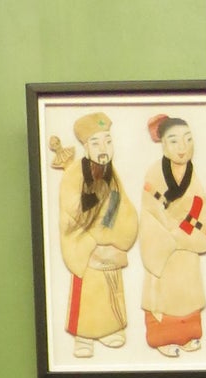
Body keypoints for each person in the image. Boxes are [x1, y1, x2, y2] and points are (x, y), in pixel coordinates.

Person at [57, 111, 139, 358]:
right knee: (89, 289)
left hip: (109, 245)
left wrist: (116, 235)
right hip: (88, 245)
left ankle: (109, 329)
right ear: (86, 146)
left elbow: (123, 209)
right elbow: (71, 211)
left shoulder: (112, 173)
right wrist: (95, 200)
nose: (103, 147)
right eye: (96, 142)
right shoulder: (75, 173)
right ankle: (83, 336)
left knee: (109, 287)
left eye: (108, 140)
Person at [139, 113, 206, 357]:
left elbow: (202, 211)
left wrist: (192, 233)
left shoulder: (193, 175)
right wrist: (171, 234)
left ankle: (188, 335)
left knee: (188, 293)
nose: (183, 147)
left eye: (188, 139)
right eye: (174, 141)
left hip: (187, 248)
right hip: (165, 249)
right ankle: (162, 337)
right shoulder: (154, 173)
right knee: (164, 296)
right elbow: (150, 212)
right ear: (163, 145)